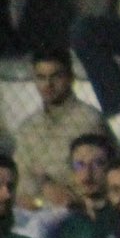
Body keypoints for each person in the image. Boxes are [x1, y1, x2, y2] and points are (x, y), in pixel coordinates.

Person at [13, 51, 108, 203]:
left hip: (77, 206)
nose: (48, 84)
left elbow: (94, 176)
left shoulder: (89, 120)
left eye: (55, 76)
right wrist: (44, 186)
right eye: (41, 77)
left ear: (70, 78)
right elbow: (19, 176)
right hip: (34, 207)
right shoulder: (28, 127)